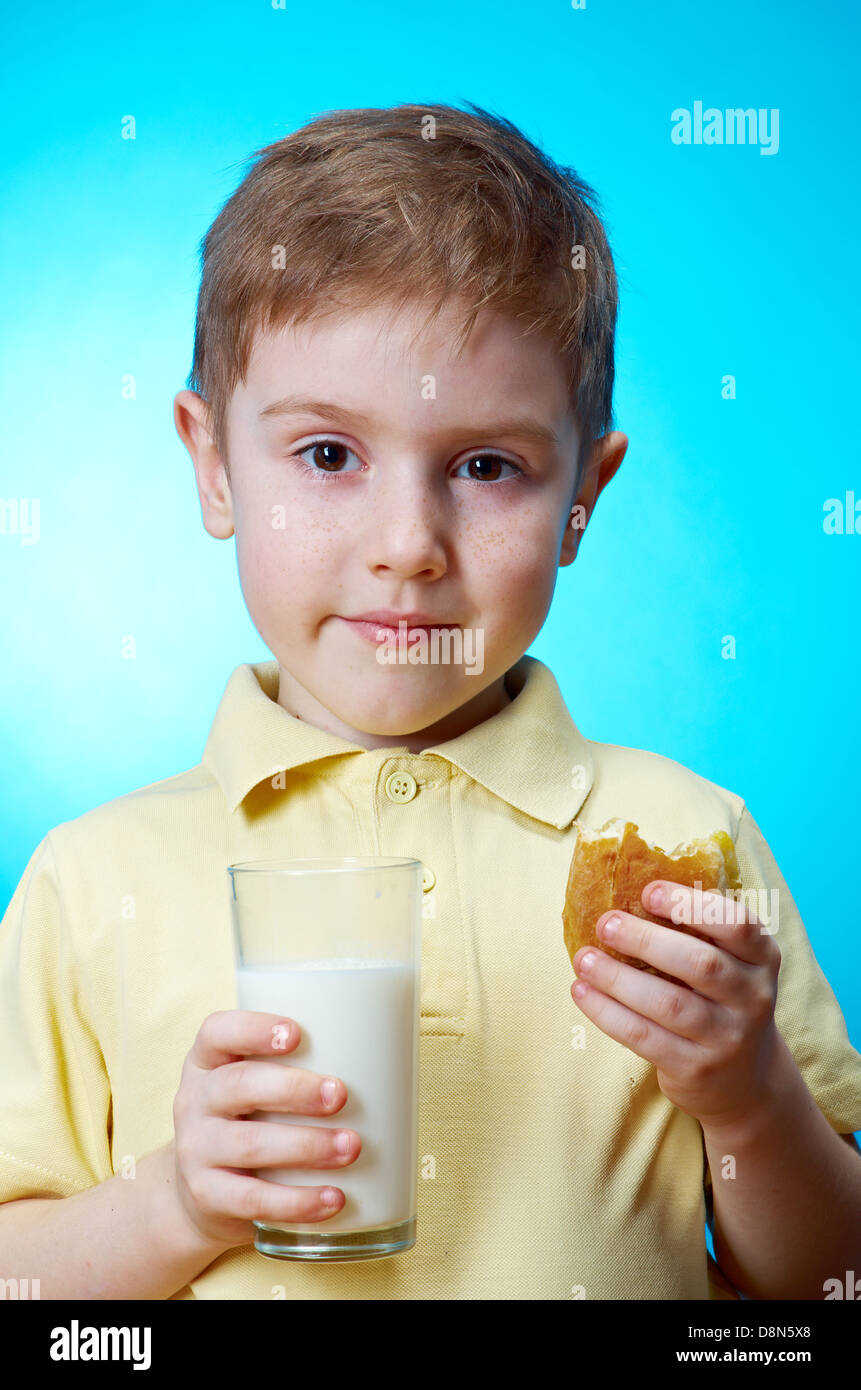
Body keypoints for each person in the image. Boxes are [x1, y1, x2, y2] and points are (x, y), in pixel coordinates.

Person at [1, 101, 859, 1301]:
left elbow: (828, 1288)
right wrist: (175, 1201)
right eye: (328, 455)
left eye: (487, 466)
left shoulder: (689, 843)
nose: (409, 544)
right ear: (211, 463)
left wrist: (751, 1095)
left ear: (583, 498)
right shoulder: (89, 883)